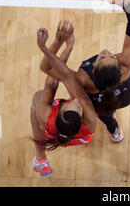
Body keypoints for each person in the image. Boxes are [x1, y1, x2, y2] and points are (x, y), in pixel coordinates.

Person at [39, 0, 130, 157]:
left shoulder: (82, 80)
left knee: (101, 110)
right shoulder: (125, 64)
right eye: (108, 56)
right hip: (127, 93)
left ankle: (114, 131)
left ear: (94, 67)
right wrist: (127, 6)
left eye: (105, 56)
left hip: (101, 103)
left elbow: (47, 68)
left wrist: (53, 44)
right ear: (117, 68)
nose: (106, 51)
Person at [31, 21, 98, 177]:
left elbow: (52, 80)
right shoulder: (89, 121)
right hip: (84, 137)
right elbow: (63, 75)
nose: (75, 100)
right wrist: (68, 45)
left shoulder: (47, 118)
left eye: (70, 105)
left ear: (59, 110)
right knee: (89, 92)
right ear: (81, 118)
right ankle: (114, 129)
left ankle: (41, 160)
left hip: (55, 133)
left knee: (37, 98)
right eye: (77, 106)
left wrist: (57, 43)